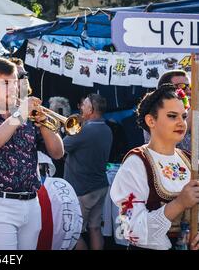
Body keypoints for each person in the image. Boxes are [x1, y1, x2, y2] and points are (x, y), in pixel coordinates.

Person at [0, 57, 64, 250]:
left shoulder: (24, 114)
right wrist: (19, 115)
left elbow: (58, 152)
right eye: (5, 83)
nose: (13, 88)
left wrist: (44, 123)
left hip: (30, 203)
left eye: (14, 82)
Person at [111, 84, 199, 250]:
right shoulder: (136, 162)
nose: (181, 122)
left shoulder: (189, 159)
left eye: (184, 116)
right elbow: (130, 230)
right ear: (151, 120)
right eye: (172, 116)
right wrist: (179, 204)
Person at [63, 93, 112, 250]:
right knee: (95, 228)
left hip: (82, 189)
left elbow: (60, 147)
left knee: (73, 233)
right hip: (100, 186)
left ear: (90, 109)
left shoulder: (84, 130)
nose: (80, 107)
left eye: (83, 105)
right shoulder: (106, 128)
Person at [144, 70, 191, 151]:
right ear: (165, 89)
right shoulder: (155, 109)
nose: (188, 91)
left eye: (189, 87)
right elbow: (176, 139)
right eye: (181, 86)